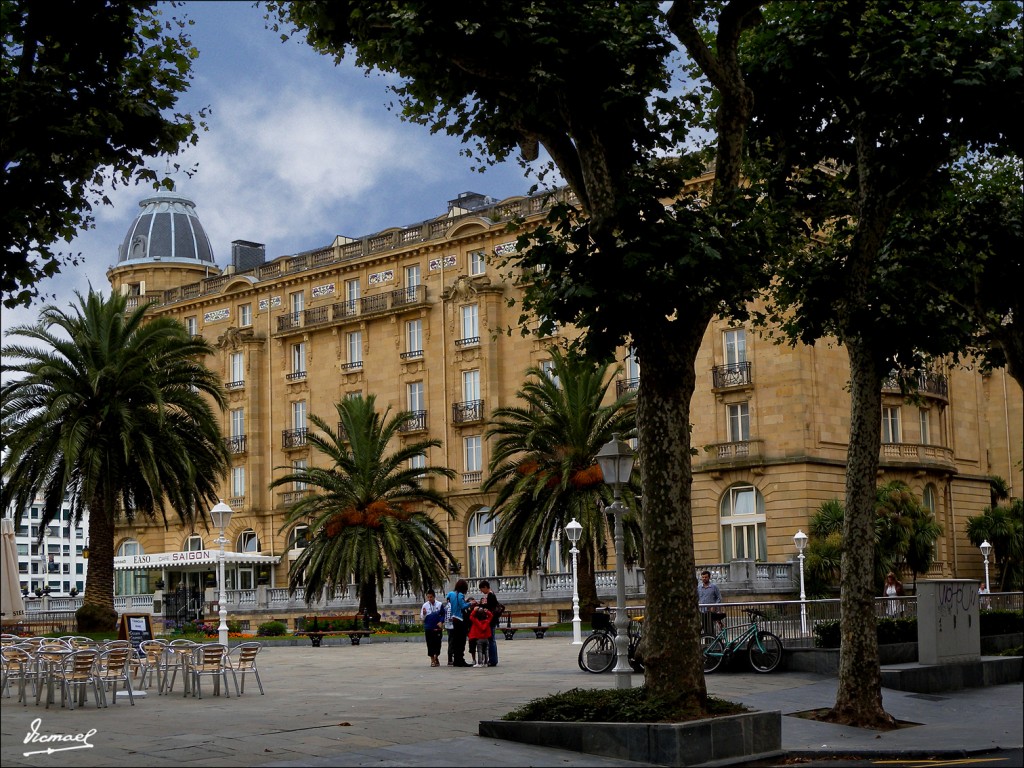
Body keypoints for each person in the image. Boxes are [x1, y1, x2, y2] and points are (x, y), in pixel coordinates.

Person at [445, 578, 475, 667]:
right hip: (460, 619)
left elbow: (448, 602)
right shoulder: (461, 595)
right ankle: (460, 660)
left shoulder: (450, 594)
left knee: (455, 640)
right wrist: (470, 603)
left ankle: (456, 660)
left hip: (452, 619)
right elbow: (462, 606)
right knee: (461, 641)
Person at [478, 579, 500, 667]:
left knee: (491, 640)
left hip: (491, 620)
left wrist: (480, 606)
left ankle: (493, 660)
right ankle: (492, 659)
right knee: (491, 640)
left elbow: (489, 607)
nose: (481, 591)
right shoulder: (490, 595)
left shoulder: (490, 595)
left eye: (482, 589)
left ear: (486, 587)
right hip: (492, 620)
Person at [421, 590, 445, 667]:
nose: (429, 598)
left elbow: (443, 614)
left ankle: (436, 656)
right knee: (430, 644)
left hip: (437, 627)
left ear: (434, 596)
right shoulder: (425, 605)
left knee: (437, 643)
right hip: (428, 627)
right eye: (428, 597)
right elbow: (422, 617)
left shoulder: (439, 604)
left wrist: (441, 621)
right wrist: (424, 614)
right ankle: (432, 659)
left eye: (431, 597)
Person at [697, 570, 724, 634]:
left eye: (705, 577)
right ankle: (707, 641)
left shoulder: (714, 587)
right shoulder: (699, 587)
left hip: (711, 611)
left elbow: (719, 598)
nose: (704, 579)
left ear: (709, 577)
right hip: (702, 611)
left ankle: (712, 640)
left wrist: (714, 605)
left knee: (711, 627)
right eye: (703, 577)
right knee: (704, 627)